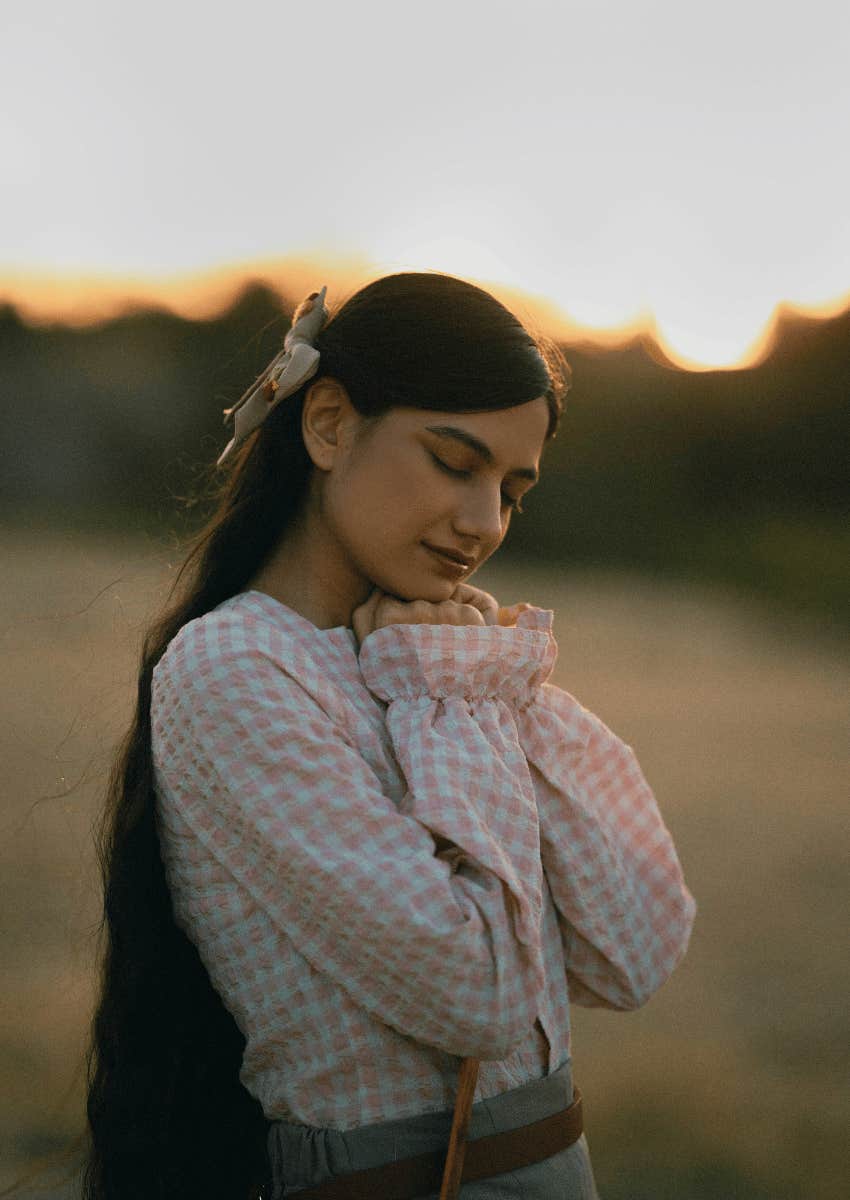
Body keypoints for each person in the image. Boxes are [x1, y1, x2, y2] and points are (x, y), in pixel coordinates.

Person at [83, 271, 696, 1200]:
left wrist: (485, 691)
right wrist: (451, 698)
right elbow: (481, 996)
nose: (484, 523)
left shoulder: (435, 660)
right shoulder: (237, 670)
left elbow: (635, 950)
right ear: (327, 424)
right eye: (456, 463)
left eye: (512, 491)